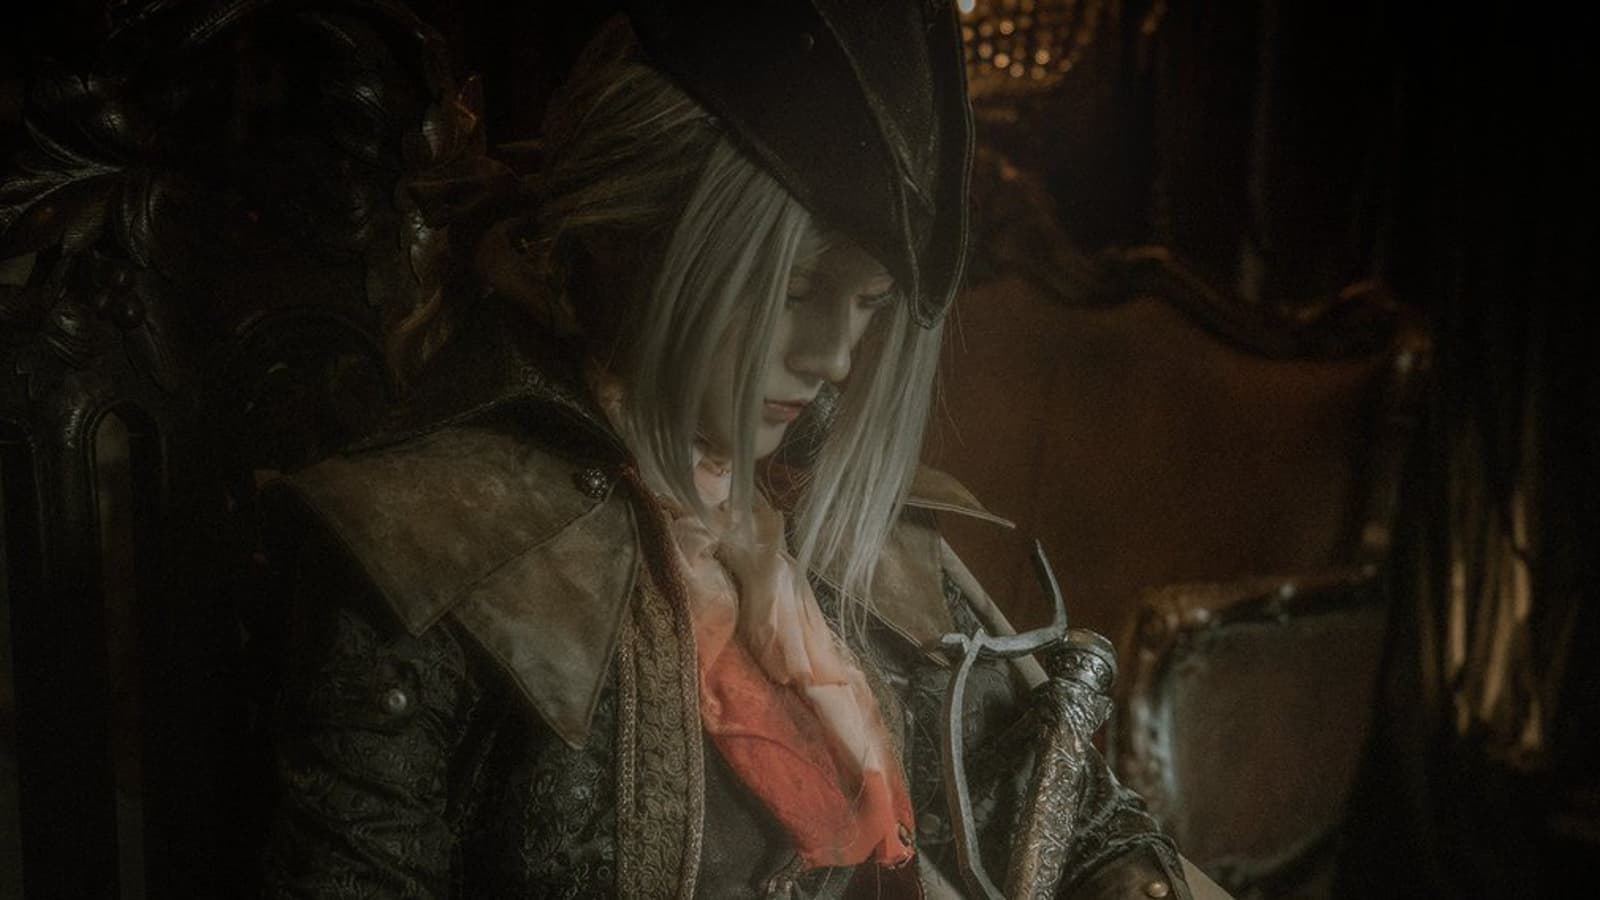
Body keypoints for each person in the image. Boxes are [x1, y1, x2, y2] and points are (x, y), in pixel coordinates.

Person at [258, 2, 1199, 897]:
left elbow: (1081, 825)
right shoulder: (421, 547)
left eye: (868, 305)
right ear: (633, 239)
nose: (833, 359)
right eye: (794, 290)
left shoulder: (847, 527)